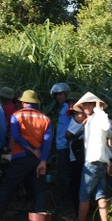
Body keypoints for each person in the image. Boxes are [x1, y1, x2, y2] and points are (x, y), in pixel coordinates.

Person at [0, 89, 52, 221]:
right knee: (39, 190)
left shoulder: (17, 115)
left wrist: (31, 149)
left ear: (23, 103)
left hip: (21, 157)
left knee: (8, 186)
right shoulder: (45, 118)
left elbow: (16, 136)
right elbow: (47, 141)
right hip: (38, 159)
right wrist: (43, 160)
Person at [73, 92, 112, 221]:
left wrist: (99, 109)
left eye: (85, 106)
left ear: (92, 105)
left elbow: (107, 127)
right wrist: (108, 161)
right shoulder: (92, 120)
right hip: (101, 161)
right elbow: (107, 136)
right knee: (100, 195)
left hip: (93, 162)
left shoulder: (98, 117)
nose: (83, 109)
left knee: (84, 195)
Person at [50, 82, 75, 213]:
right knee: (62, 174)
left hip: (65, 146)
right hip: (61, 145)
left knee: (64, 174)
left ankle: (67, 203)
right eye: (57, 95)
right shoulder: (62, 108)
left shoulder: (69, 107)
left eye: (61, 94)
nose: (58, 97)